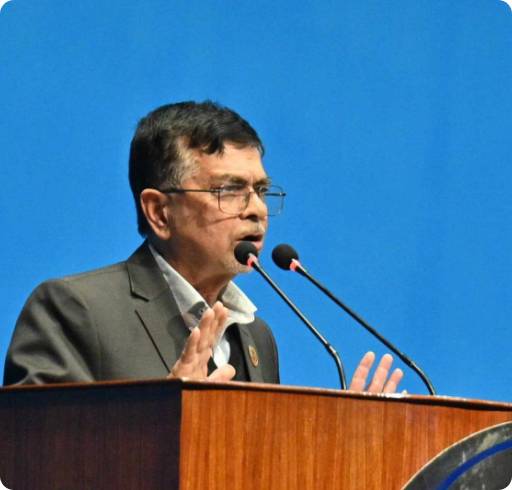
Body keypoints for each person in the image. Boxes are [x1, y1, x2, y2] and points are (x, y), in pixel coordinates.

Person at [3, 101, 403, 393]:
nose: (257, 210)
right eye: (230, 190)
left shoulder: (256, 336)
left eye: (261, 190)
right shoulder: (76, 311)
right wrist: (164, 417)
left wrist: (345, 440)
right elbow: (36, 458)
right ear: (159, 212)